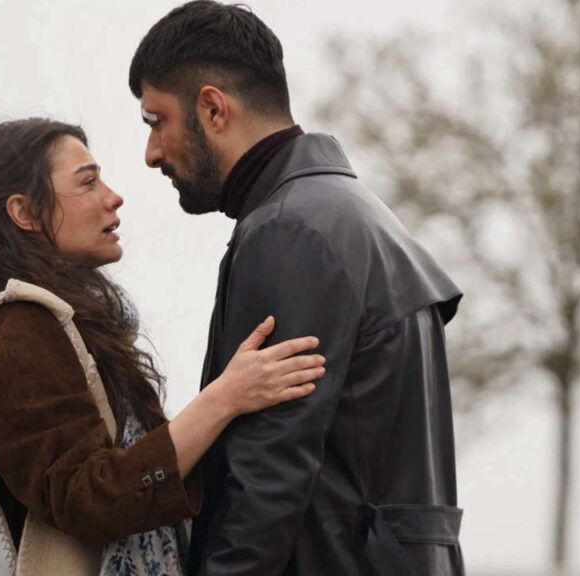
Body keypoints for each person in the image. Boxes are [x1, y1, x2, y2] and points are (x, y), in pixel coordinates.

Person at [0, 118, 326, 575]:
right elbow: (91, 499)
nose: (113, 197)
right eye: (88, 182)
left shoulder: (62, 326)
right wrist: (225, 398)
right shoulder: (21, 326)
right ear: (25, 213)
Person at [128, 2, 466, 575]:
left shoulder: (290, 231)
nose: (151, 153)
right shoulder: (353, 215)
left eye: (156, 121)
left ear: (212, 108)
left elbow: (267, 476)